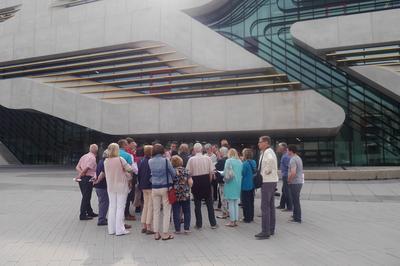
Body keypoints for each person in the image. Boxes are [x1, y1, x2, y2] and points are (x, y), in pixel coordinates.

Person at [104, 143, 133, 236]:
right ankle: (120, 229)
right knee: (120, 207)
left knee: (112, 207)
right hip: (121, 185)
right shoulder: (120, 159)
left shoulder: (106, 161)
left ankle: (111, 229)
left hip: (110, 186)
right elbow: (130, 169)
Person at [186, 143, 217, 229]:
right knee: (209, 204)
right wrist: (209, 181)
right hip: (206, 181)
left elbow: (188, 173)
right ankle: (213, 223)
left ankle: (199, 224)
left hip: (196, 182)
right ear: (202, 149)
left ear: (194, 150)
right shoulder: (207, 158)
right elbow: (211, 172)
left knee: (197, 205)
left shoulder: (191, 159)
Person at [148, 144, 176, 240]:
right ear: (162, 151)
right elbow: (173, 173)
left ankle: (156, 233)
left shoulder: (150, 161)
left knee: (156, 211)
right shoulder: (165, 161)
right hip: (165, 187)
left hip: (154, 187)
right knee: (166, 211)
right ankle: (165, 234)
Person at [255, 136, 279, 240]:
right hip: (271, 181)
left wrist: (265, 173)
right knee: (270, 206)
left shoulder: (268, 152)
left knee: (265, 207)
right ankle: (271, 229)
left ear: (266, 143)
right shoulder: (267, 151)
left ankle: (265, 231)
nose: (258, 144)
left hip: (268, 181)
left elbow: (270, 162)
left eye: (260, 142)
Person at [75, 144, 98, 221]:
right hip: (87, 178)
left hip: (82, 179)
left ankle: (90, 211)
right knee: (86, 197)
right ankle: (82, 215)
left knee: (85, 196)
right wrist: (82, 174)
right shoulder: (92, 158)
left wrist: (80, 173)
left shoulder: (84, 156)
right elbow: (87, 168)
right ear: (96, 150)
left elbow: (77, 167)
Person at [171, 155, 193, 234]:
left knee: (176, 211)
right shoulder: (186, 171)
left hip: (175, 194)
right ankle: (186, 228)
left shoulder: (172, 171)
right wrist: (188, 187)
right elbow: (190, 183)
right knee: (187, 211)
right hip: (185, 194)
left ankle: (177, 229)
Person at [223, 149, 243, 227]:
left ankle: (231, 221)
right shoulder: (240, 162)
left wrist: (222, 175)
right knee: (235, 202)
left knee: (230, 202)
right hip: (238, 183)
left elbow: (225, 173)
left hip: (230, 183)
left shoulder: (228, 161)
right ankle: (235, 220)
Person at [118, 139, 136, 223]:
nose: (128, 146)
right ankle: (126, 214)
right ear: (124, 145)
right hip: (125, 180)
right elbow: (130, 170)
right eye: (127, 145)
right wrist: (130, 181)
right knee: (127, 198)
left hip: (113, 180)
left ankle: (118, 216)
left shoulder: (112, 155)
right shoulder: (127, 155)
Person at [138, 145, 154, 234]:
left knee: (145, 206)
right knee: (150, 206)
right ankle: (149, 227)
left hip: (143, 186)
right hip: (150, 186)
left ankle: (143, 225)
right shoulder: (151, 161)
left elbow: (139, 174)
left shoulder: (142, 161)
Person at [288, 145, 304, 223]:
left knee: (295, 201)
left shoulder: (293, 159)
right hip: (299, 181)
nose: (287, 152)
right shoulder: (298, 158)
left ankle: (297, 218)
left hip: (295, 182)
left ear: (291, 151)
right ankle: (295, 215)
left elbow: (293, 172)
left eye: (288, 150)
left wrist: (289, 180)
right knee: (295, 200)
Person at [93, 150, 109, 226]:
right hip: (102, 186)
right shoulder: (105, 163)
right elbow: (103, 174)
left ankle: (102, 217)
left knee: (101, 202)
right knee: (104, 203)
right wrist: (98, 181)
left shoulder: (100, 161)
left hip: (99, 186)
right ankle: (101, 220)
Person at [241, 148, 256, 223]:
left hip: (245, 185)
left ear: (245, 155)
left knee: (245, 202)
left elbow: (242, 174)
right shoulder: (253, 162)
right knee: (251, 201)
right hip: (252, 184)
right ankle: (251, 217)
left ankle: (247, 218)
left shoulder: (244, 163)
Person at [277, 142, 292, 211]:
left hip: (286, 176)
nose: (278, 148)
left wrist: (289, 178)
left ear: (283, 148)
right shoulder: (285, 155)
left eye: (279, 147)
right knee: (284, 190)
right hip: (285, 176)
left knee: (287, 192)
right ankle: (282, 205)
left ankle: (289, 207)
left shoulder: (286, 156)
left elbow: (290, 167)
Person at [215, 147, 228, 217]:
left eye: (219, 152)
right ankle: (227, 212)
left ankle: (224, 213)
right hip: (229, 181)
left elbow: (215, 169)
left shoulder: (221, 161)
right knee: (227, 198)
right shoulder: (229, 160)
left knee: (223, 197)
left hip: (222, 181)